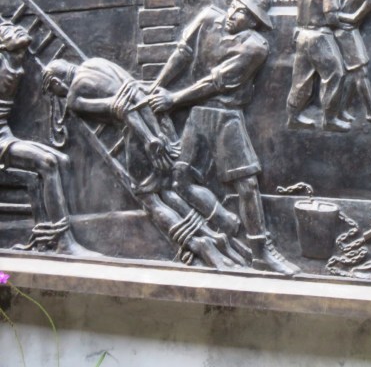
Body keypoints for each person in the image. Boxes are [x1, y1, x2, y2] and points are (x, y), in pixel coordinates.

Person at [149, 0, 300, 275]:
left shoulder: (255, 46)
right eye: (232, 6)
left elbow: (215, 82)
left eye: (242, 12)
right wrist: (157, 86)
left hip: (225, 116)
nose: (232, 14)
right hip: (197, 114)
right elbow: (181, 54)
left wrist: (173, 99)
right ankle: (223, 224)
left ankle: (261, 252)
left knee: (247, 184)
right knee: (180, 181)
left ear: (254, 22)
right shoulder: (207, 17)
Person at [41, 58, 248, 269]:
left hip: (140, 134)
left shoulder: (73, 96)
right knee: (167, 189)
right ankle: (212, 235)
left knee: (148, 198)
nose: (58, 95)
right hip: (157, 118)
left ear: (56, 82)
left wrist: (150, 139)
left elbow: (121, 108)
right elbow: (134, 93)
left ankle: (198, 244)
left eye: (54, 91)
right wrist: (160, 134)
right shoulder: (95, 62)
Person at [0, 22, 96, 256]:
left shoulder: (13, 66)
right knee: (47, 162)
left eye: (22, 53)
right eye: (16, 52)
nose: (21, 59)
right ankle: (64, 242)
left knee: (63, 160)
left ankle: (58, 236)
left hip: (4, 133)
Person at [286, 0, 354, 132]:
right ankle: (330, 120)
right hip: (320, 37)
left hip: (301, 35)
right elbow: (331, 17)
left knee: (301, 79)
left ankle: (293, 117)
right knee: (336, 74)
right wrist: (346, 23)